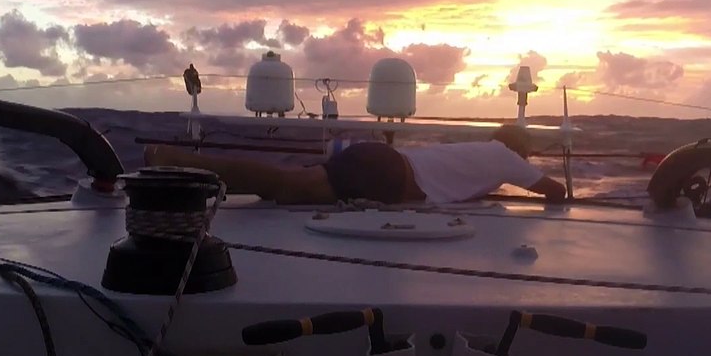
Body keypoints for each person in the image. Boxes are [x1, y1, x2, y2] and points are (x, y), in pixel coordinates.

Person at [143, 125, 567, 205]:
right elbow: (555, 191)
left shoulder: (480, 150)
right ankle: (179, 162)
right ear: (518, 148)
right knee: (284, 187)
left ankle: (189, 176)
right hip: (387, 175)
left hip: (383, 163)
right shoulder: (504, 156)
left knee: (282, 193)